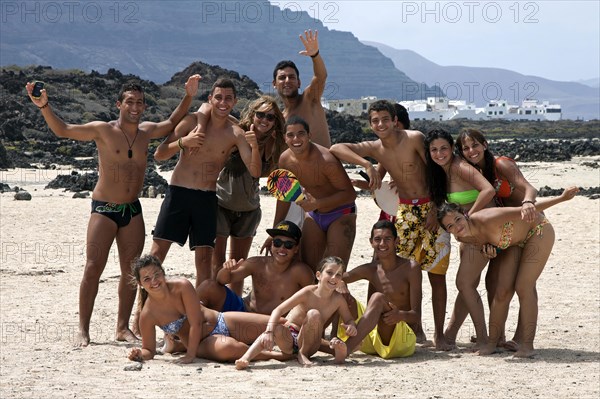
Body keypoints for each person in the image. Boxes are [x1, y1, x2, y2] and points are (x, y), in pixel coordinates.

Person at [26, 76, 201, 347]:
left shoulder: (145, 132)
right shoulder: (102, 130)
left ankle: (121, 327)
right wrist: (44, 105)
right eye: (129, 101)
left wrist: (188, 95)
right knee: (93, 267)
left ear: (144, 106)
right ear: (119, 103)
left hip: (132, 209)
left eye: (139, 102)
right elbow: (63, 129)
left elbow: (171, 123)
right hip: (104, 209)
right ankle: (83, 329)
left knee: (131, 273)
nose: (135, 106)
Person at [330, 100, 451, 350]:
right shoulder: (375, 148)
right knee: (391, 270)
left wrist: (436, 209)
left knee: (437, 275)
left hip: (431, 206)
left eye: (385, 119)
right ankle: (405, 330)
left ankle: (440, 335)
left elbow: (438, 172)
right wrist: (365, 165)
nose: (381, 124)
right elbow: (336, 147)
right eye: (375, 121)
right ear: (370, 124)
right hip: (405, 211)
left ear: (395, 120)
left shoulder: (414, 138)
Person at [437, 186, 579, 357]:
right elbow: (489, 246)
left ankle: (527, 345)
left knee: (524, 286)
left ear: (465, 214)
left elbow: (527, 210)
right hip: (514, 244)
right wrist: (490, 250)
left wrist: (562, 198)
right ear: (447, 230)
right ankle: (491, 343)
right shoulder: (461, 236)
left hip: (538, 231)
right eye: (450, 226)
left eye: (458, 219)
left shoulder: (487, 217)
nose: (457, 226)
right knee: (502, 292)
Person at [151, 78, 261, 288]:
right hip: (178, 194)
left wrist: (254, 146)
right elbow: (160, 154)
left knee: (204, 261)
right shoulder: (192, 122)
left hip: (207, 198)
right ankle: (140, 312)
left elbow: (255, 171)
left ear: (235, 101)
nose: (223, 102)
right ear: (210, 98)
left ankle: (201, 312)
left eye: (228, 98)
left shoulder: (236, 132)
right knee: (157, 254)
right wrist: (184, 142)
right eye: (218, 97)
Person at [456, 129, 539, 349]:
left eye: (475, 145)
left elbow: (529, 187)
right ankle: (498, 334)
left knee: (525, 284)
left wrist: (528, 203)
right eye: (465, 148)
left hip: (529, 224)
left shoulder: (501, 164)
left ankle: (522, 337)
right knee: (495, 282)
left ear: (485, 144)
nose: (471, 151)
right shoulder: (473, 171)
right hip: (506, 232)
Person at [127, 255, 293, 363]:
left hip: (222, 320)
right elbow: (149, 349)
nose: (154, 281)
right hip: (201, 343)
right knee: (230, 348)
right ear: (140, 284)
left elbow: (196, 322)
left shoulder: (182, 286)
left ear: (163, 273)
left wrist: (190, 356)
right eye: (147, 279)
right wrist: (139, 354)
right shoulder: (148, 314)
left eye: (157, 275)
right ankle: (274, 356)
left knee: (281, 324)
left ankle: (315, 345)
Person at [424, 128, 495, 349]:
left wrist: (468, 216)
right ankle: (450, 335)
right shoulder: (440, 172)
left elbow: (488, 190)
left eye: (444, 148)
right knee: (468, 284)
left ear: (452, 148)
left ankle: (485, 339)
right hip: (468, 235)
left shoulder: (459, 166)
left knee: (463, 283)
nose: (439, 153)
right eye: (434, 150)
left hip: (483, 231)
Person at [211, 96, 286, 295]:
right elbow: (207, 110)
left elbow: (275, 177)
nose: (264, 120)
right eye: (260, 115)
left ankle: (234, 307)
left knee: (239, 266)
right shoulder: (237, 131)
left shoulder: (274, 146)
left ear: (275, 122)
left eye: (270, 117)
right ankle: (215, 306)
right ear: (252, 115)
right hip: (221, 204)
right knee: (217, 263)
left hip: (248, 209)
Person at [234, 256, 357, 369]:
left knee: (313, 314)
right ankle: (246, 358)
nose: (333, 278)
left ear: (341, 281)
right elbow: (279, 310)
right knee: (275, 329)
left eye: (338, 275)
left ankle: (303, 353)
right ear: (319, 275)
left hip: (311, 342)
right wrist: (269, 331)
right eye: (329, 273)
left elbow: (349, 319)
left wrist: (351, 326)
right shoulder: (308, 292)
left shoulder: (338, 299)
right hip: (290, 337)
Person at [269, 116, 357, 273]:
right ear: (284, 138)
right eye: (290, 135)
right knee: (309, 270)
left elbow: (350, 194)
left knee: (334, 271)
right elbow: (284, 196)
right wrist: (276, 230)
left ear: (309, 136)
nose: (296, 139)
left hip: (341, 214)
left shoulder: (326, 160)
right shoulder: (285, 160)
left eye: (301, 134)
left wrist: (317, 203)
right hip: (314, 214)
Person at [272, 29, 331, 230]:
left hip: (325, 185)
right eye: (282, 78)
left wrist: (315, 55)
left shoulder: (310, 99)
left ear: (298, 81)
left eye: (291, 77)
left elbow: (321, 76)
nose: (287, 81)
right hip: (297, 191)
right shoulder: (280, 120)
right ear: (274, 84)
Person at [339, 221, 420, 359]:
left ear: (396, 241)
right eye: (377, 239)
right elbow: (335, 277)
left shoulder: (411, 268)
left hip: (400, 340)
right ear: (371, 242)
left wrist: (400, 315)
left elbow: (416, 316)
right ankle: (318, 338)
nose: (382, 244)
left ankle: (346, 349)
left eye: (387, 239)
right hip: (371, 338)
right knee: (345, 298)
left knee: (377, 297)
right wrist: (340, 284)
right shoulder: (371, 269)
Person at [197, 220, 314, 314]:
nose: (282, 249)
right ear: (271, 244)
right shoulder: (257, 263)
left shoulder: (301, 272)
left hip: (271, 323)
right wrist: (226, 270)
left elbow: (315, 300)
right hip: (243, 310)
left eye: (288, 245)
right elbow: (221, 280)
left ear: (296, 249)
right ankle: (184, 325)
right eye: (277, 243)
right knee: (208, 286)